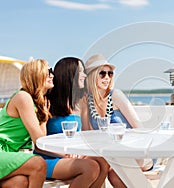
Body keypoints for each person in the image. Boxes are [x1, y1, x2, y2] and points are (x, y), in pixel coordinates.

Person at [35, 57, 109, 187]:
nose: (85, 75)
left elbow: (86, 134)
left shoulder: (79, 102)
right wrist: (66, 154)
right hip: (48, 159)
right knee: (90, 167)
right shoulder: (47, 102)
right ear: (70, 74)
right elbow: (38, 144)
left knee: (103, 162)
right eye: (81, 71)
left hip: (72, 156)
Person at [81, 54, 152, 187]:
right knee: (102, 167)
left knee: (113, 171)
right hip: (111, 155)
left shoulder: (116, 95)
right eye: (102, 73)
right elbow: (87, 135)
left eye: (110, 73)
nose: (107, 77)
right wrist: (84, 108)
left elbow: (139, 127)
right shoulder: (87, 101)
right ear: (91, 76)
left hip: (134, 150)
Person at [0, 59, 53, 187]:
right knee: (38, 164)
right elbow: (39, 140)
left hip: (9, 154)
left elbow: (41, 144)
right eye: (48, 71)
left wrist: (43, 115)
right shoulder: (23, 97)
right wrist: (44, 116)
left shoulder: (36, 103)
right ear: (36, 74)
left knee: (20, 182)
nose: (52, 75)